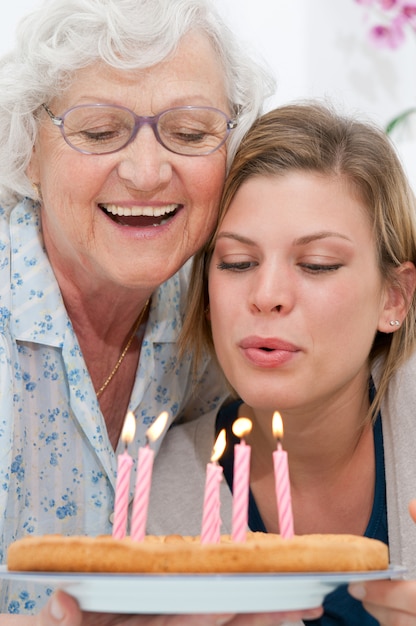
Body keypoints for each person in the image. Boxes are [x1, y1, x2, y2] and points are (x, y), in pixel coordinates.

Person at [0, 0, 276, 622]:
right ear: (26, 155)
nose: (148, 172)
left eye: (190, 133)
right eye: (98, 132)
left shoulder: (214, 310)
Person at [150, 102, 416, 625]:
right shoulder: (159, 499)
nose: (267, 295)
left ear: (393, 298)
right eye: (237, 263)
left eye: (317, 265)